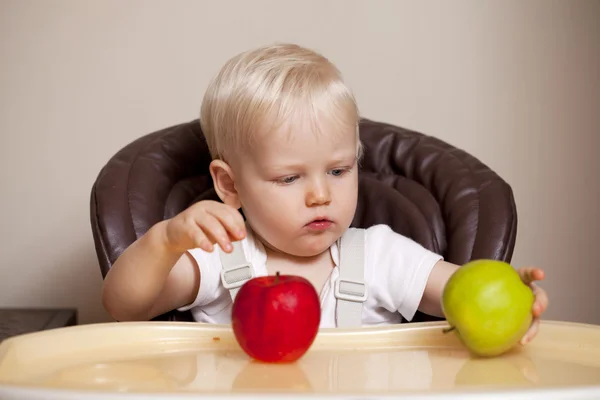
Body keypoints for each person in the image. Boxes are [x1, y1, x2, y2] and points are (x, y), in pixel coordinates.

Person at [102, 43, 548, 344]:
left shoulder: (380, 256)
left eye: (338, 170)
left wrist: (516, 300)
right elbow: (125, 307)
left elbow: (465, 293)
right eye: (289, 178)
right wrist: (165, 242)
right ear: (229, 185)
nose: (320, 195)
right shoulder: (220, 258)